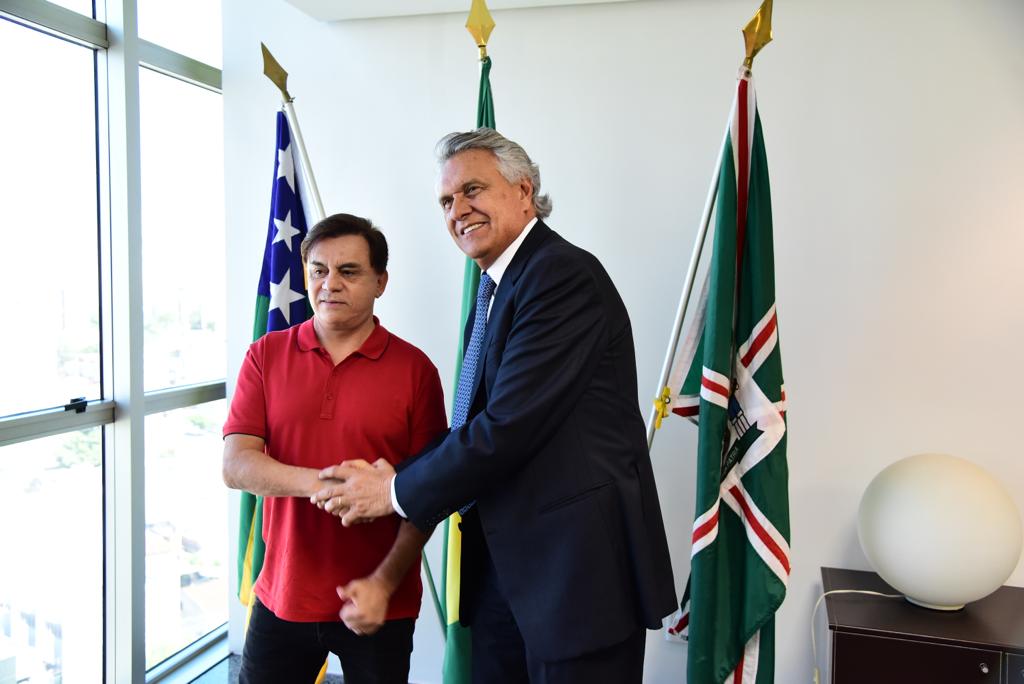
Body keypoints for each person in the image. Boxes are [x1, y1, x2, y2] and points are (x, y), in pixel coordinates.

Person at [314, 130, 677, 683]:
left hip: (576, 579)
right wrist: (398, 475)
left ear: (524, 191)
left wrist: (392, 490)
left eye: (472, 190)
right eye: (446, 201)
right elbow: (476, 421)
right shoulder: (497, 287)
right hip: (506, 575)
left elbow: (507, 428)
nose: (457, 210)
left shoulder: (560, 277)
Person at [222, 214, 447, 684]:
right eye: (319, 270)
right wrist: (325, 485)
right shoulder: (265, 355)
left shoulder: (416, 370)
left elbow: (431, 492)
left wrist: (383, 582)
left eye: (349, 271)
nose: (330, 284)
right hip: (283, 594)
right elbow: (237, 466)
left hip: (378, 599)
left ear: (380, 281)